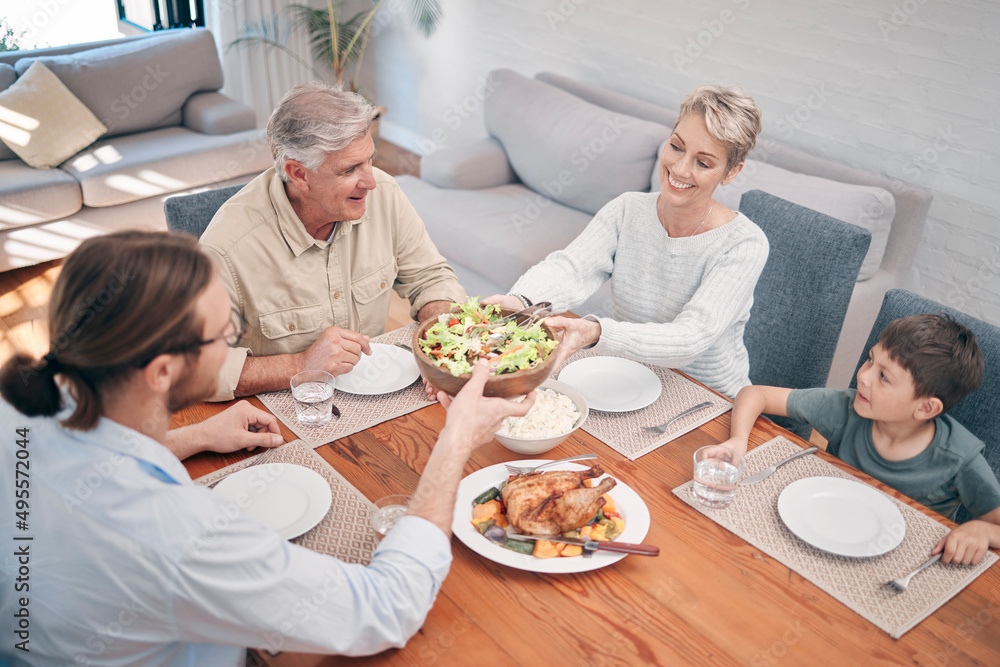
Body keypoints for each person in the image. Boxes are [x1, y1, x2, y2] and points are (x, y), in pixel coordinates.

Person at [0, 231, 533, 665]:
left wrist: (193, 436)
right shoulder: (176, 533)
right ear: (162, 371)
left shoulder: (24, 409)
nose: (232, 340)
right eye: (224, 333)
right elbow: (385, 610)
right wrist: (457, 437)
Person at [484, 85, 769, 399]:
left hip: (708, 399)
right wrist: (522, 302)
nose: (680, 168)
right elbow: (572, 268)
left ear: (730, 172)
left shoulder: (744, 244)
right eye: (676, 147)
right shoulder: (627, 210)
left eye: (703, 163)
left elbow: (692, 337)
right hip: (631, 378)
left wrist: (597, 331)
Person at [200, 82, 466, 401]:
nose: (370, 181)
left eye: (369, 160)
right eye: (350, 169)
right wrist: (301, 365)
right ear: (298, 174)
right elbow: (195, 369)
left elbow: (431, 278)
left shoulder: (385, 194)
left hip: (378, 393)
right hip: (285, 411)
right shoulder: (227, 248)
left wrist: (441, 343)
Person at [720, 314, 1000, 566]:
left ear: (926, 408)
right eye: (870, 359)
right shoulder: (847, 407)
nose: (863, 376)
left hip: (901, 565)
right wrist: (738, 441)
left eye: (883, 377)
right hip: (822, 536)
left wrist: (983, 530)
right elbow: (755, 394)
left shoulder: (960, 459)